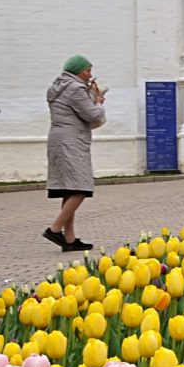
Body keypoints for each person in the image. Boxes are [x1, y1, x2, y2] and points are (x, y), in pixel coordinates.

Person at [45, 55, 107, 251]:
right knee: (81, 187)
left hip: (59, 139)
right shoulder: (75, 89)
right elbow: (93, 116)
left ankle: (69, 239)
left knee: (69, 188)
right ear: (77, 70)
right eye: (87, 70)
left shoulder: (58, 86)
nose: (90, 74)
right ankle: (55, 229)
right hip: (71, 141)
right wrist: (97, 101)